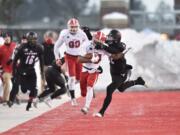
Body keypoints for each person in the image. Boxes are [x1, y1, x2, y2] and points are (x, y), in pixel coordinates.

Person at [93, 29, 146, 117]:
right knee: (121, 89)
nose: (108, 38)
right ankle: (137, 81)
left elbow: (115, 50)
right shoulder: (109, 43)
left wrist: (103, 46)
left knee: (109, 89)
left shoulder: (121, 46)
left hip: (122, 72)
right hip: (113, 70)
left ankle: (101, 112)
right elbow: (99, 39)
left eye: (111, 37)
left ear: (116, 39)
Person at [54, 18, 88, 106]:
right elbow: (56, 47)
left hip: (79, 58)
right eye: (72, 27)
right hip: (69, 57)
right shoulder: (64, 34)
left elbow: (87, 44)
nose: (73, 29)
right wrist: (57, 58)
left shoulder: (82, 33)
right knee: (72, 78)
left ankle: (69, 86)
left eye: (75, 27)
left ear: (78, 27)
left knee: (78, 79)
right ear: (68, 27)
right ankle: (73, 98)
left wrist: (87, 54)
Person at [12, 31, 44, 111]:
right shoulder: (22, 47)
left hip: (31, 69)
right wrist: (14, 72)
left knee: (33, 88)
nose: (33, 41)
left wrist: (42, 72)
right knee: (24, 90)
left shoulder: (39, 48)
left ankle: (29, 105)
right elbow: (15, 60)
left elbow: (41, 61)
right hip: (22, 70)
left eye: (34, 39)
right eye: (31, 39)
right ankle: (29, 89)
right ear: (28, 39)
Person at [78, 31, 107, 114]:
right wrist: (90, 59)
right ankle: (89, 91)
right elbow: (79, 59)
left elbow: (113, 56)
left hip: (94, 70)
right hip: (84, 69)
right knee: (83, 92)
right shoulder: (86, 45)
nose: (97, 43)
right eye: (96, 41)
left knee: (89, 87)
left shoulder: (104, 48)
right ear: (93, 38)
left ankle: (86, 107)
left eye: (99, 42)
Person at [7, 34, 28, 107]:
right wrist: (10, 61)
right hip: (18, 69)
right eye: (23, 39)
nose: (24, 40)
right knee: (15, 86)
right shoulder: (18, 47)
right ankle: (11, 100)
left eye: (25, 39)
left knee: (25, 87)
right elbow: (13, 56)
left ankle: (31, 99)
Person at [0, 32, 16, 103]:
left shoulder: (15, 46)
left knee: (16, 85)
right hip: (6, 69)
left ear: (10, 38)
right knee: (7, 82)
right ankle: (5, 99)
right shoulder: (1, 48)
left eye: (8, 37)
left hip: (15, 69)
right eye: (5, 37)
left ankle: (15, 97)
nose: (6, 38)